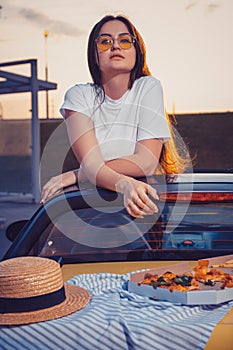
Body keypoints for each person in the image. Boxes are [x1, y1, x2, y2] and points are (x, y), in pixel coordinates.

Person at [41, 14, 190, 218]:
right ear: (94, 55)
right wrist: (125, 183)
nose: (115, 46)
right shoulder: (78, 96)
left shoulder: (148, 87)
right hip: (94, 210)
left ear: (137, 51)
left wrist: (76, 175)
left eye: (125, 40)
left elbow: (146, 161)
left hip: (146, 204)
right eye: (105, 41)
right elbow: (92, 165)